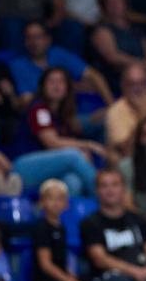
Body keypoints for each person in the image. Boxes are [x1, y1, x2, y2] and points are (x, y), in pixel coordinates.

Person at [13, 67, 103, 197]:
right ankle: (105, 197)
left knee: (73, 182)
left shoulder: (63, 114)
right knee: (74, 156)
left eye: (61, 82)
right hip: (25, 167)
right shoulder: (39, 109)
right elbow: (52, 143)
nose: (56, 86)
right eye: (51, 82)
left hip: (51, 168)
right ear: (43, 86)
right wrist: (88, 145)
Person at [80, 167, 146, 281]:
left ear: (123, 189)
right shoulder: (90, 223)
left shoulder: (139, 220)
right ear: (97, 191)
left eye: (115, 185)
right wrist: (135, 272)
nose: (110, 190)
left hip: (143, 273)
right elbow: (100, 259)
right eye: (104, 185)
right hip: (109, 278)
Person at [32, 179, 92, 281]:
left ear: (66, 204)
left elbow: (62, 260)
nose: (55, 203)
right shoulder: (42, 227)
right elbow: (46, 265)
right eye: (50, 198)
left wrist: (72, 277)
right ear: (42, 202)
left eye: (60, 199)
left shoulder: (61, 228)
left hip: (59, 277)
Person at [90, 0, 146, 93]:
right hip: (118, 78)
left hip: (144, 75)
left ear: (125, 3)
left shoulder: (137, 30)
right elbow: (112, 57)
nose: (115, 5)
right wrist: (142, 64)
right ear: (104, 6)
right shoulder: (102, 30)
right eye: (110, 2)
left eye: (118, 0)